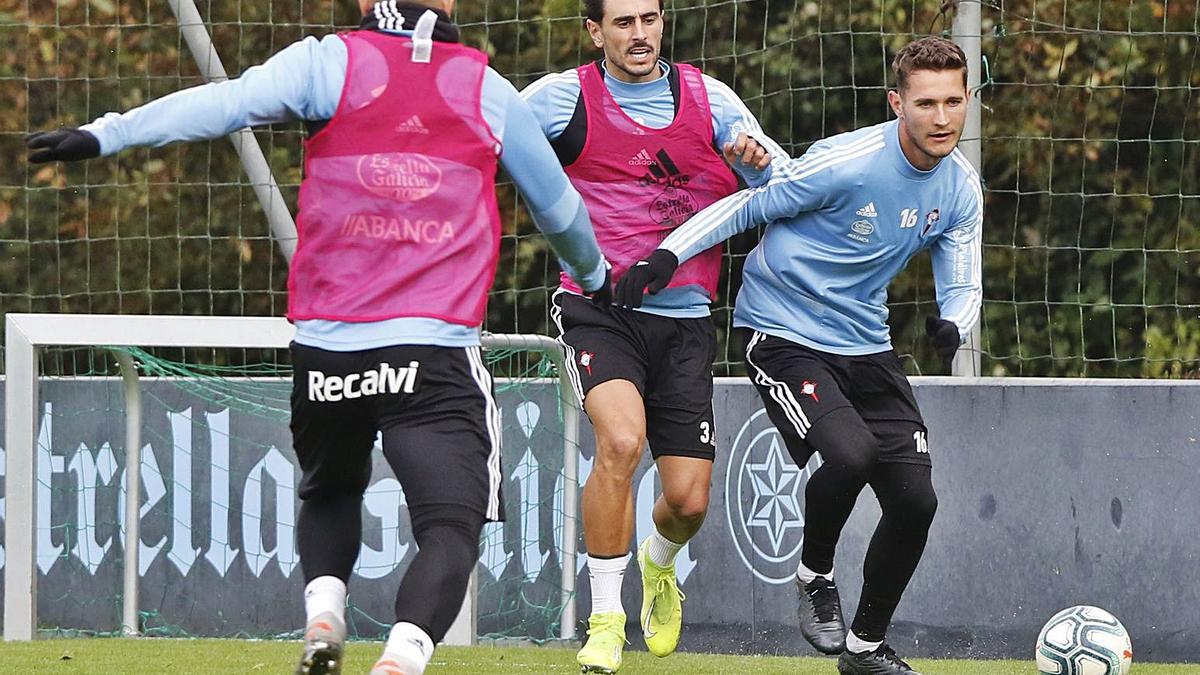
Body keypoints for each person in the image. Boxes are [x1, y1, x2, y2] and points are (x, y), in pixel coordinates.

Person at [26, 2, 611, 674]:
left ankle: (324, 613)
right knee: (451, 525)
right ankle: (401, 657)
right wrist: (594, 274)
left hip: (329, 347)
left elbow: (224, 102)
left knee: (330, 488)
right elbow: (561, 209)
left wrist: (107, 134)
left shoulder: (326, 62)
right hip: (434, 350)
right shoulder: (486, 89)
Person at [615, 36, 982, 675]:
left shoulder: (960, 188)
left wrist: (953, 326)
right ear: (897, 102)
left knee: (915, 501)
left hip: (866, 341)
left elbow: (963, 281)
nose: (942, 118)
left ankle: (865, 650)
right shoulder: (844, 163)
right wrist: (667, 255)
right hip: (782, 332)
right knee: (850, 453)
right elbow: (752, 202)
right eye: (927, 103)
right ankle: (814, 575)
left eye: (954, 101)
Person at [520, 0, 787, 671]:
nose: (637, 34)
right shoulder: (560, 100)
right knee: (619, 439)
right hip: (597, 306)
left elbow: (784, 186)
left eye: (648, 19)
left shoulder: (714, 100)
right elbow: (488, 134)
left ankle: (658, 562)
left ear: (663, 22)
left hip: (685, 321)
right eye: (622, 22)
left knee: (688, 499)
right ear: (595, 32)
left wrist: (752, 162)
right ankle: (606, 618)